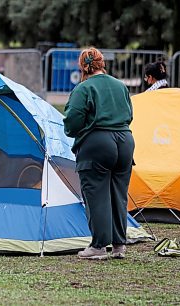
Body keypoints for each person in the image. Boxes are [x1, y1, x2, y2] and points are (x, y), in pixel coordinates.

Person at [63, 47, 135, 260]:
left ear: (82, 66)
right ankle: (119, 245)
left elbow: (73, 122)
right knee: (118, 195)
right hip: (125, 141)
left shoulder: (83, 88)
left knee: (96, 194)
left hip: (97, 142)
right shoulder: (120, 85)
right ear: (102, 63)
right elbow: (129, 115)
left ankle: (99, 245)